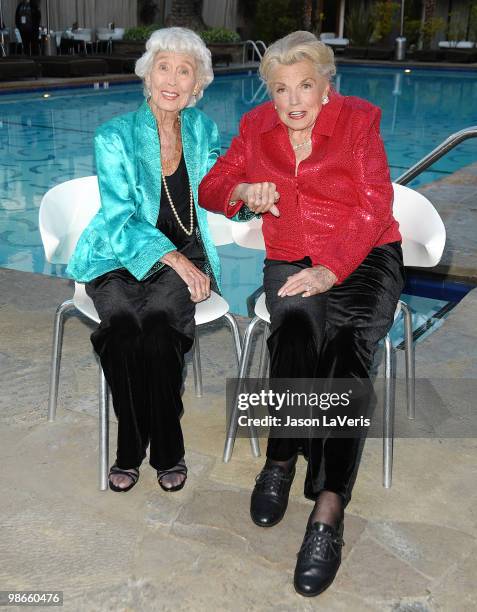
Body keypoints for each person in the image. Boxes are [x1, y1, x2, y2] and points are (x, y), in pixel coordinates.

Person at [199, 31, 404, 597]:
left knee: (346, 350)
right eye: (281, 88)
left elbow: (373, 206)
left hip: (363, 258)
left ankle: (328, 509)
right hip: (290, 253)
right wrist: (242, 188)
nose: (293, 100)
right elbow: (211, 189)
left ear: (326, 85)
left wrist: (331, 270)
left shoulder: (359, 121)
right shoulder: (255, 130)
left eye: (305, 85)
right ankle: (281, 459)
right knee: (294, 326)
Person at [67, 27, 221, 494]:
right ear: (147, 75)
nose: (172, 79)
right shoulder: (114, 136)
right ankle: (133, 449)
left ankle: (166, 448)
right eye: (163, 67)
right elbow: (120, 217)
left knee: (158, 329)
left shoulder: (203, 130)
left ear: (197, 86)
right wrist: (172, 258)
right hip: (117, 254)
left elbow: (218, 191)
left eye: (184, 70)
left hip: (187, 256)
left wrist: (249, 196)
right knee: (123, 333)